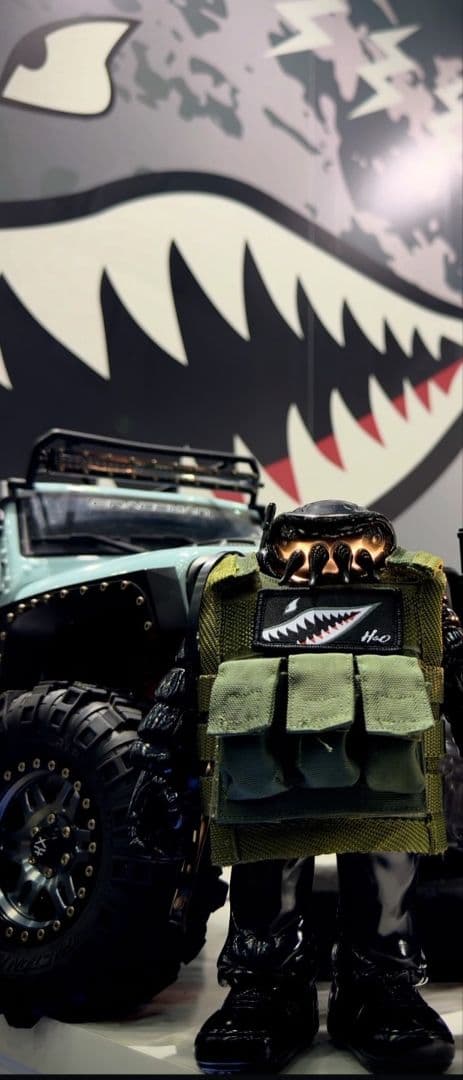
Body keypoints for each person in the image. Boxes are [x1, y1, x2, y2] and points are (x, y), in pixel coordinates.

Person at [128, 500, 463, 1075]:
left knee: (388, 839)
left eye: (352, 548)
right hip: (267, 783)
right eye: (307, 549)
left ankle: (381, 980)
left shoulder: (417, 595)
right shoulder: (235, 598)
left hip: (386, 782)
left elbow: (451, 671)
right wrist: (158, 760)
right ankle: (267, 982)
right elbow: (189, 681)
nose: (331, 564)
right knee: (264, 839)